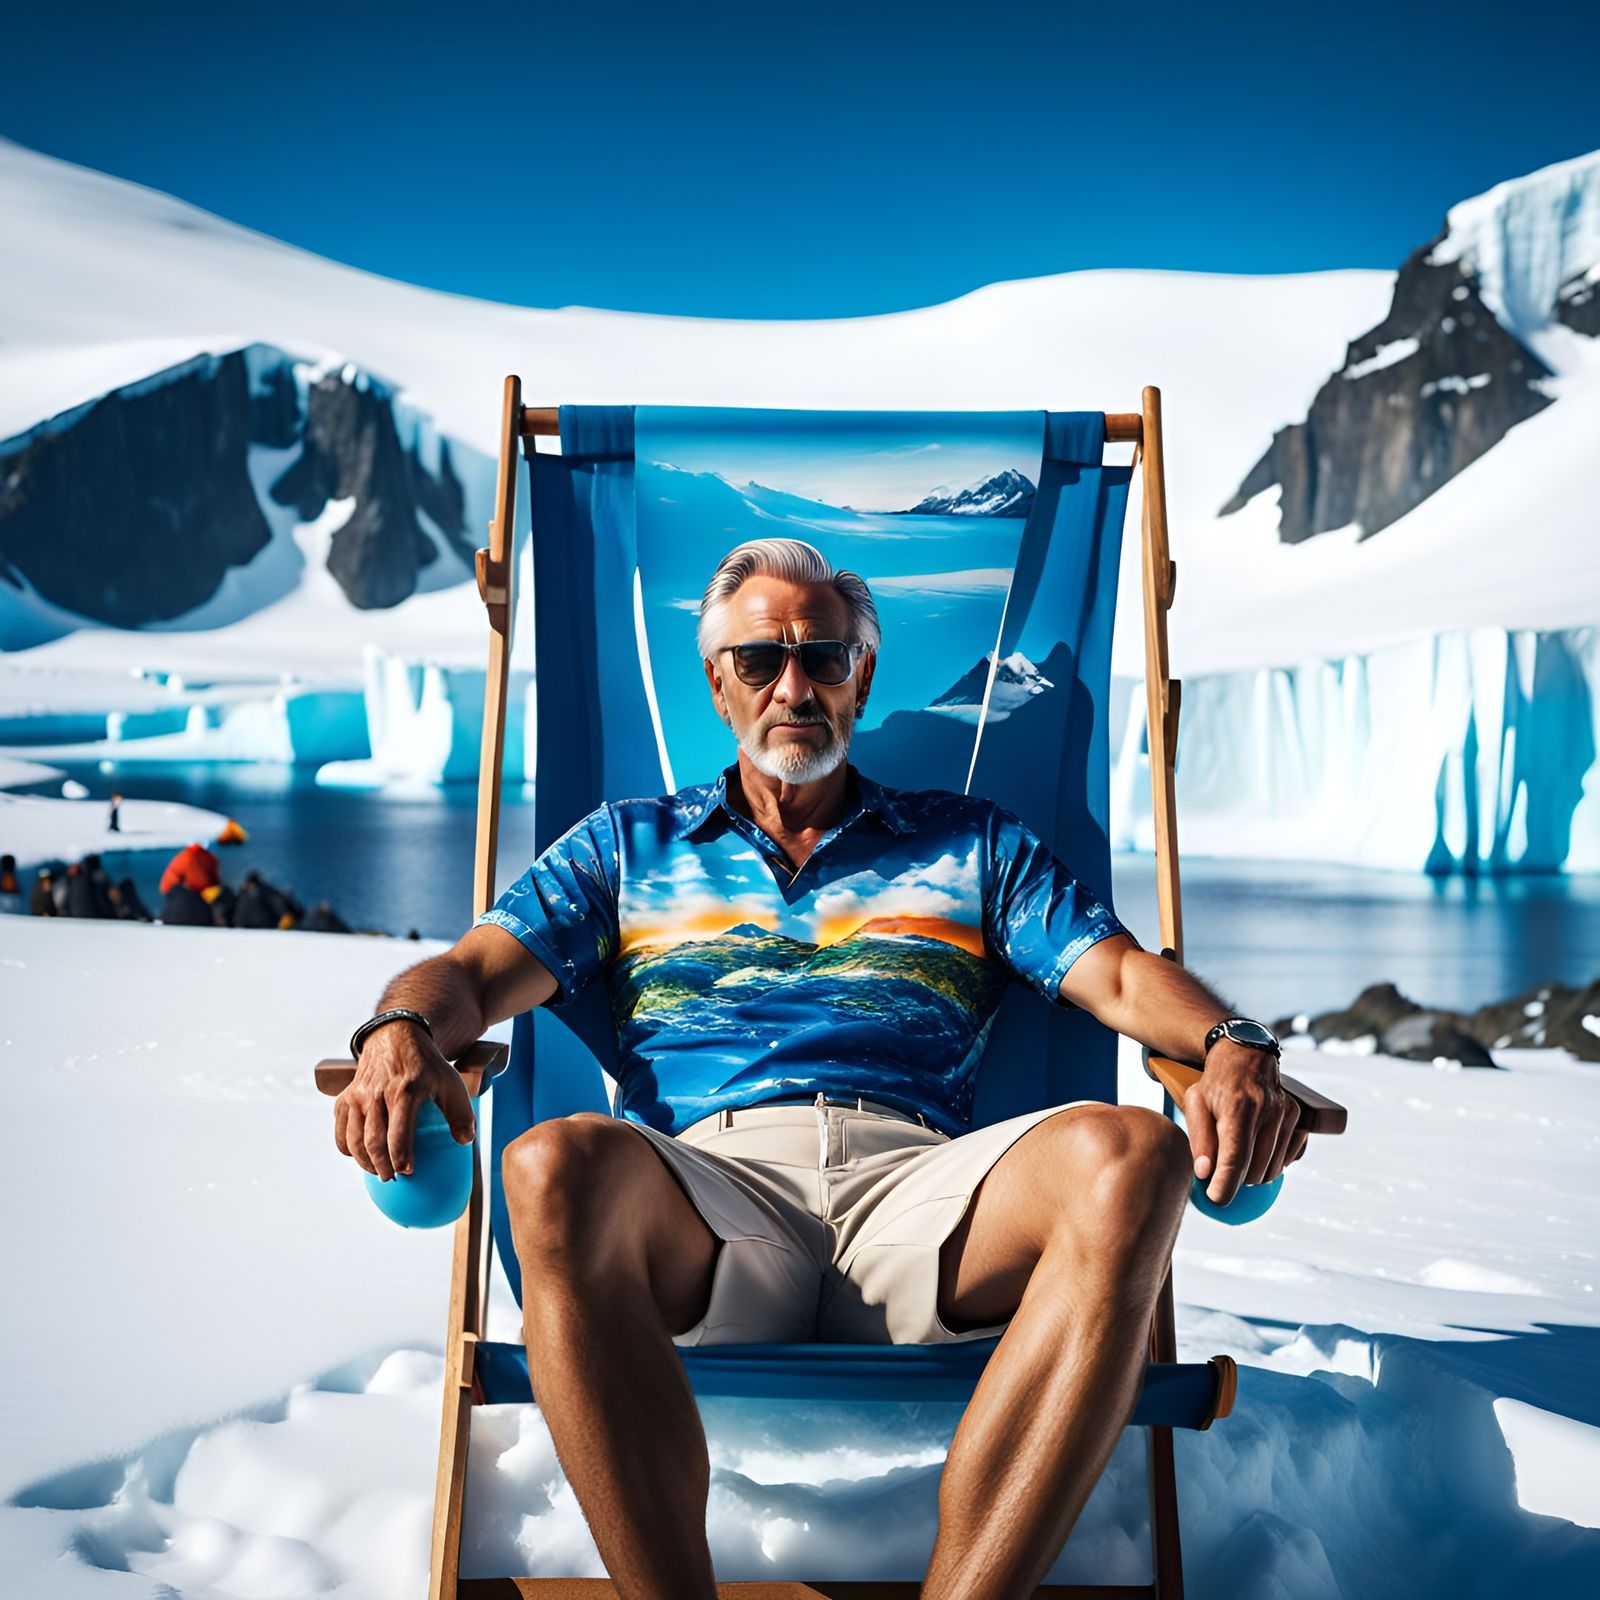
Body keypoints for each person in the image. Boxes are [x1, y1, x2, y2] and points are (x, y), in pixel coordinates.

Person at [331, 538, 1303, 1597]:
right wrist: (399, 1032)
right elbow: (471, 973)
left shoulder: (968, 844)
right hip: (710, 1201)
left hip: (922, 1199)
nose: (794, 686)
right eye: (759, 660)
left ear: (862, 678)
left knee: (1131, 1154)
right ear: (716, 681)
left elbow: (1117, 978)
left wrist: (1231, 1044)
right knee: (548, 1164)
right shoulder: (627, 846)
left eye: (825, 659)